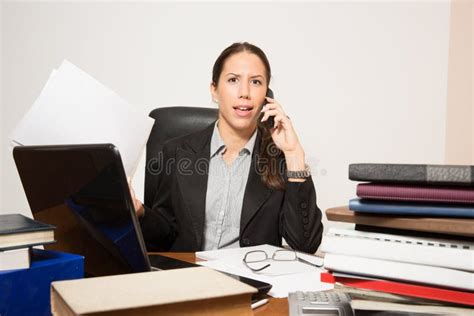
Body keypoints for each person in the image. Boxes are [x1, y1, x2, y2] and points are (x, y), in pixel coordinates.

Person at [130, 42, 323, 253]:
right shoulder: (176, 152)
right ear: (214, 90)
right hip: (189, 278)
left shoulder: (279, 158)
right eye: (233, 80)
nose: (244, 92)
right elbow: (164, 236)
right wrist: (139, 211)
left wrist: (294, 155)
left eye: (256, 82)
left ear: (266, 95)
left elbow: (306, 244)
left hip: (250, 281)